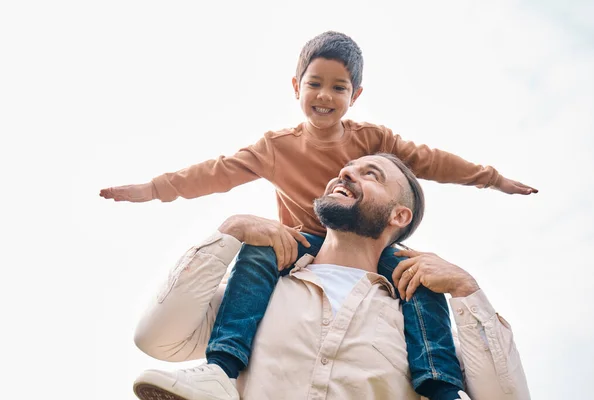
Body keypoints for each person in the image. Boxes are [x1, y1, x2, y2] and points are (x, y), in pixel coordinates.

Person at [100, 31, 537, 399]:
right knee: (260, 247)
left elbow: (432, 161)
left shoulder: (374, 139)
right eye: (314, 84)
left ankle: (441, 390)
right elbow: (214, 173)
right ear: (296, 86)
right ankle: (222, 370)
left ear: (356, 95)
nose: (325, 96)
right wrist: (154, 189)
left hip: (372, 250)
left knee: (418, 278)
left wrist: (492, 178)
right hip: (298, 246)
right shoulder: (275, 148)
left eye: (339, 87)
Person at [132, 154, 531, 400]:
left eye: (370, 174)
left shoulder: (424, 328)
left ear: (399, 216)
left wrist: (466, 291)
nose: (345, 174)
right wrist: (229, 232)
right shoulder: (256, 295)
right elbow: (155, 337)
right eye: (345, 170)